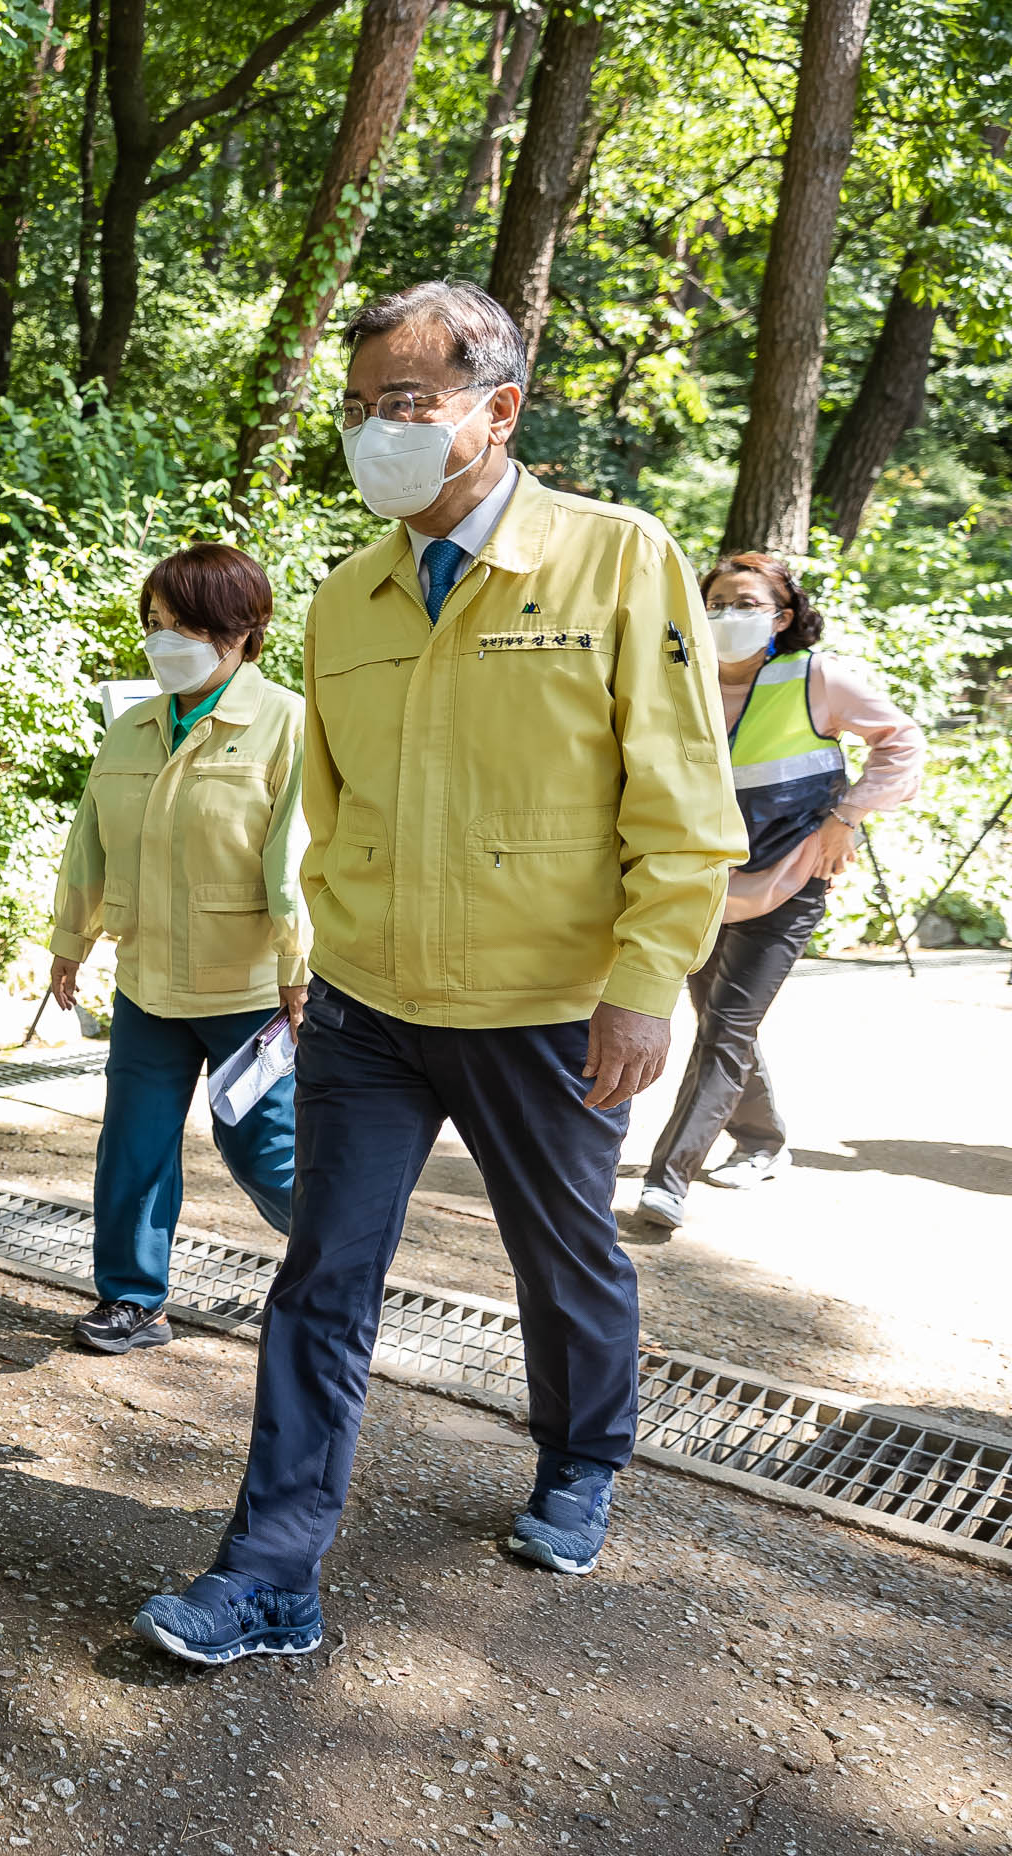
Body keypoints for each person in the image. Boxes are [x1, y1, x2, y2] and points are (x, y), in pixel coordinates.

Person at [130, 281, 745, 1666]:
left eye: (407, 405)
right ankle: (271, 1575)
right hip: (371, 1011)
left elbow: (684, 801)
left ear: (499, 411)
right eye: (361, 409)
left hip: (549, 1010)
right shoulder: (346, 603)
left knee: (562, 1255)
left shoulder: (615, 559)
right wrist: (317, 960)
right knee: (321, 1281)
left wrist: (648, 976)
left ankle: (582, 1459)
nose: (377, 433)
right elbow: (332, 815)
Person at [47, 544, 309, 1356]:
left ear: (243, 631)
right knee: (133, 1145)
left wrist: (302, 975)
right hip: (148, 982)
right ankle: (132, 1300)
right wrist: (70, 942)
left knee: (266, 1151)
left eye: (187, 625)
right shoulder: (132, 727)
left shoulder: (288, 723)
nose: (166, 641)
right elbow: (88, 842)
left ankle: (337, 1265)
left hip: (249, 988)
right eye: (156, 624)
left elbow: (297, 859)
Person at [635, 555, 923, 1228]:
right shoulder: (680, 680)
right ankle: (763, 1141)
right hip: (699, 883)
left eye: (746, 603)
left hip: (790, 880)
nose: (728, 616)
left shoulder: (816, 677)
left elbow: (902, 742)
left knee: (726, 1027)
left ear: (782, 616)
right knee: (722, 1025)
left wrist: (845, 816)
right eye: (716, 603)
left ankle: (668, 1178)